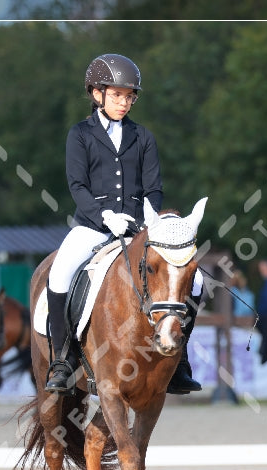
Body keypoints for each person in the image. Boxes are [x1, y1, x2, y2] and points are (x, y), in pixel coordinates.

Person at [44, 53, 204, 395]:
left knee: (198, 280)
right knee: (59, 274)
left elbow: (154, 188)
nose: (124, 102)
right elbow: (77, 186)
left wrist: (148, 222)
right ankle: (62, 358)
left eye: (130, 96)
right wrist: (104, 216)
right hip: (92, 225)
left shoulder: (142, 136)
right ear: (97, 93)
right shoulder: (80, 135)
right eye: (117, 95)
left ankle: (180, 360)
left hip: (137, 228)